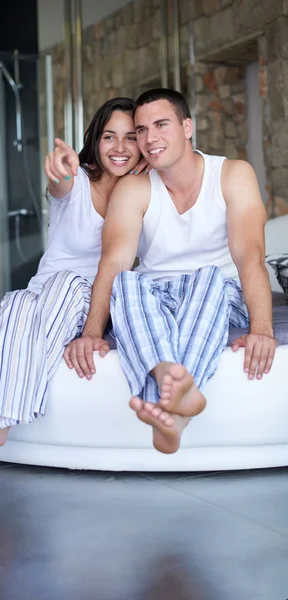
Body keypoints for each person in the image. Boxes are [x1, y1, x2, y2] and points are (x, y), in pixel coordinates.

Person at [0, 97, 147, 473]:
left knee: (63, 285)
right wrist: (59, 173)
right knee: (14, 304)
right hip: (42, 293)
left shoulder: (146, 191)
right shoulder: (77, 180)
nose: (120, 148)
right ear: (95, 140)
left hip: (93, 296)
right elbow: (60, 185)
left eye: (130, 137)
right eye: (109, 136)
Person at [64, 88, 278, 455]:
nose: (150, 139)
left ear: (187, 127)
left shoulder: (231, 174)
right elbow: (113, 263)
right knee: (127, 283)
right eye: (142, 130)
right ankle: (174, 392)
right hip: (156, 296)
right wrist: (91, 333)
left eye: (161, 125)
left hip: (217, 293)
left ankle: (169, 399)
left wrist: (261, 329)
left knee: (208, 276)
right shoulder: (134, 187)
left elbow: (250, 257)